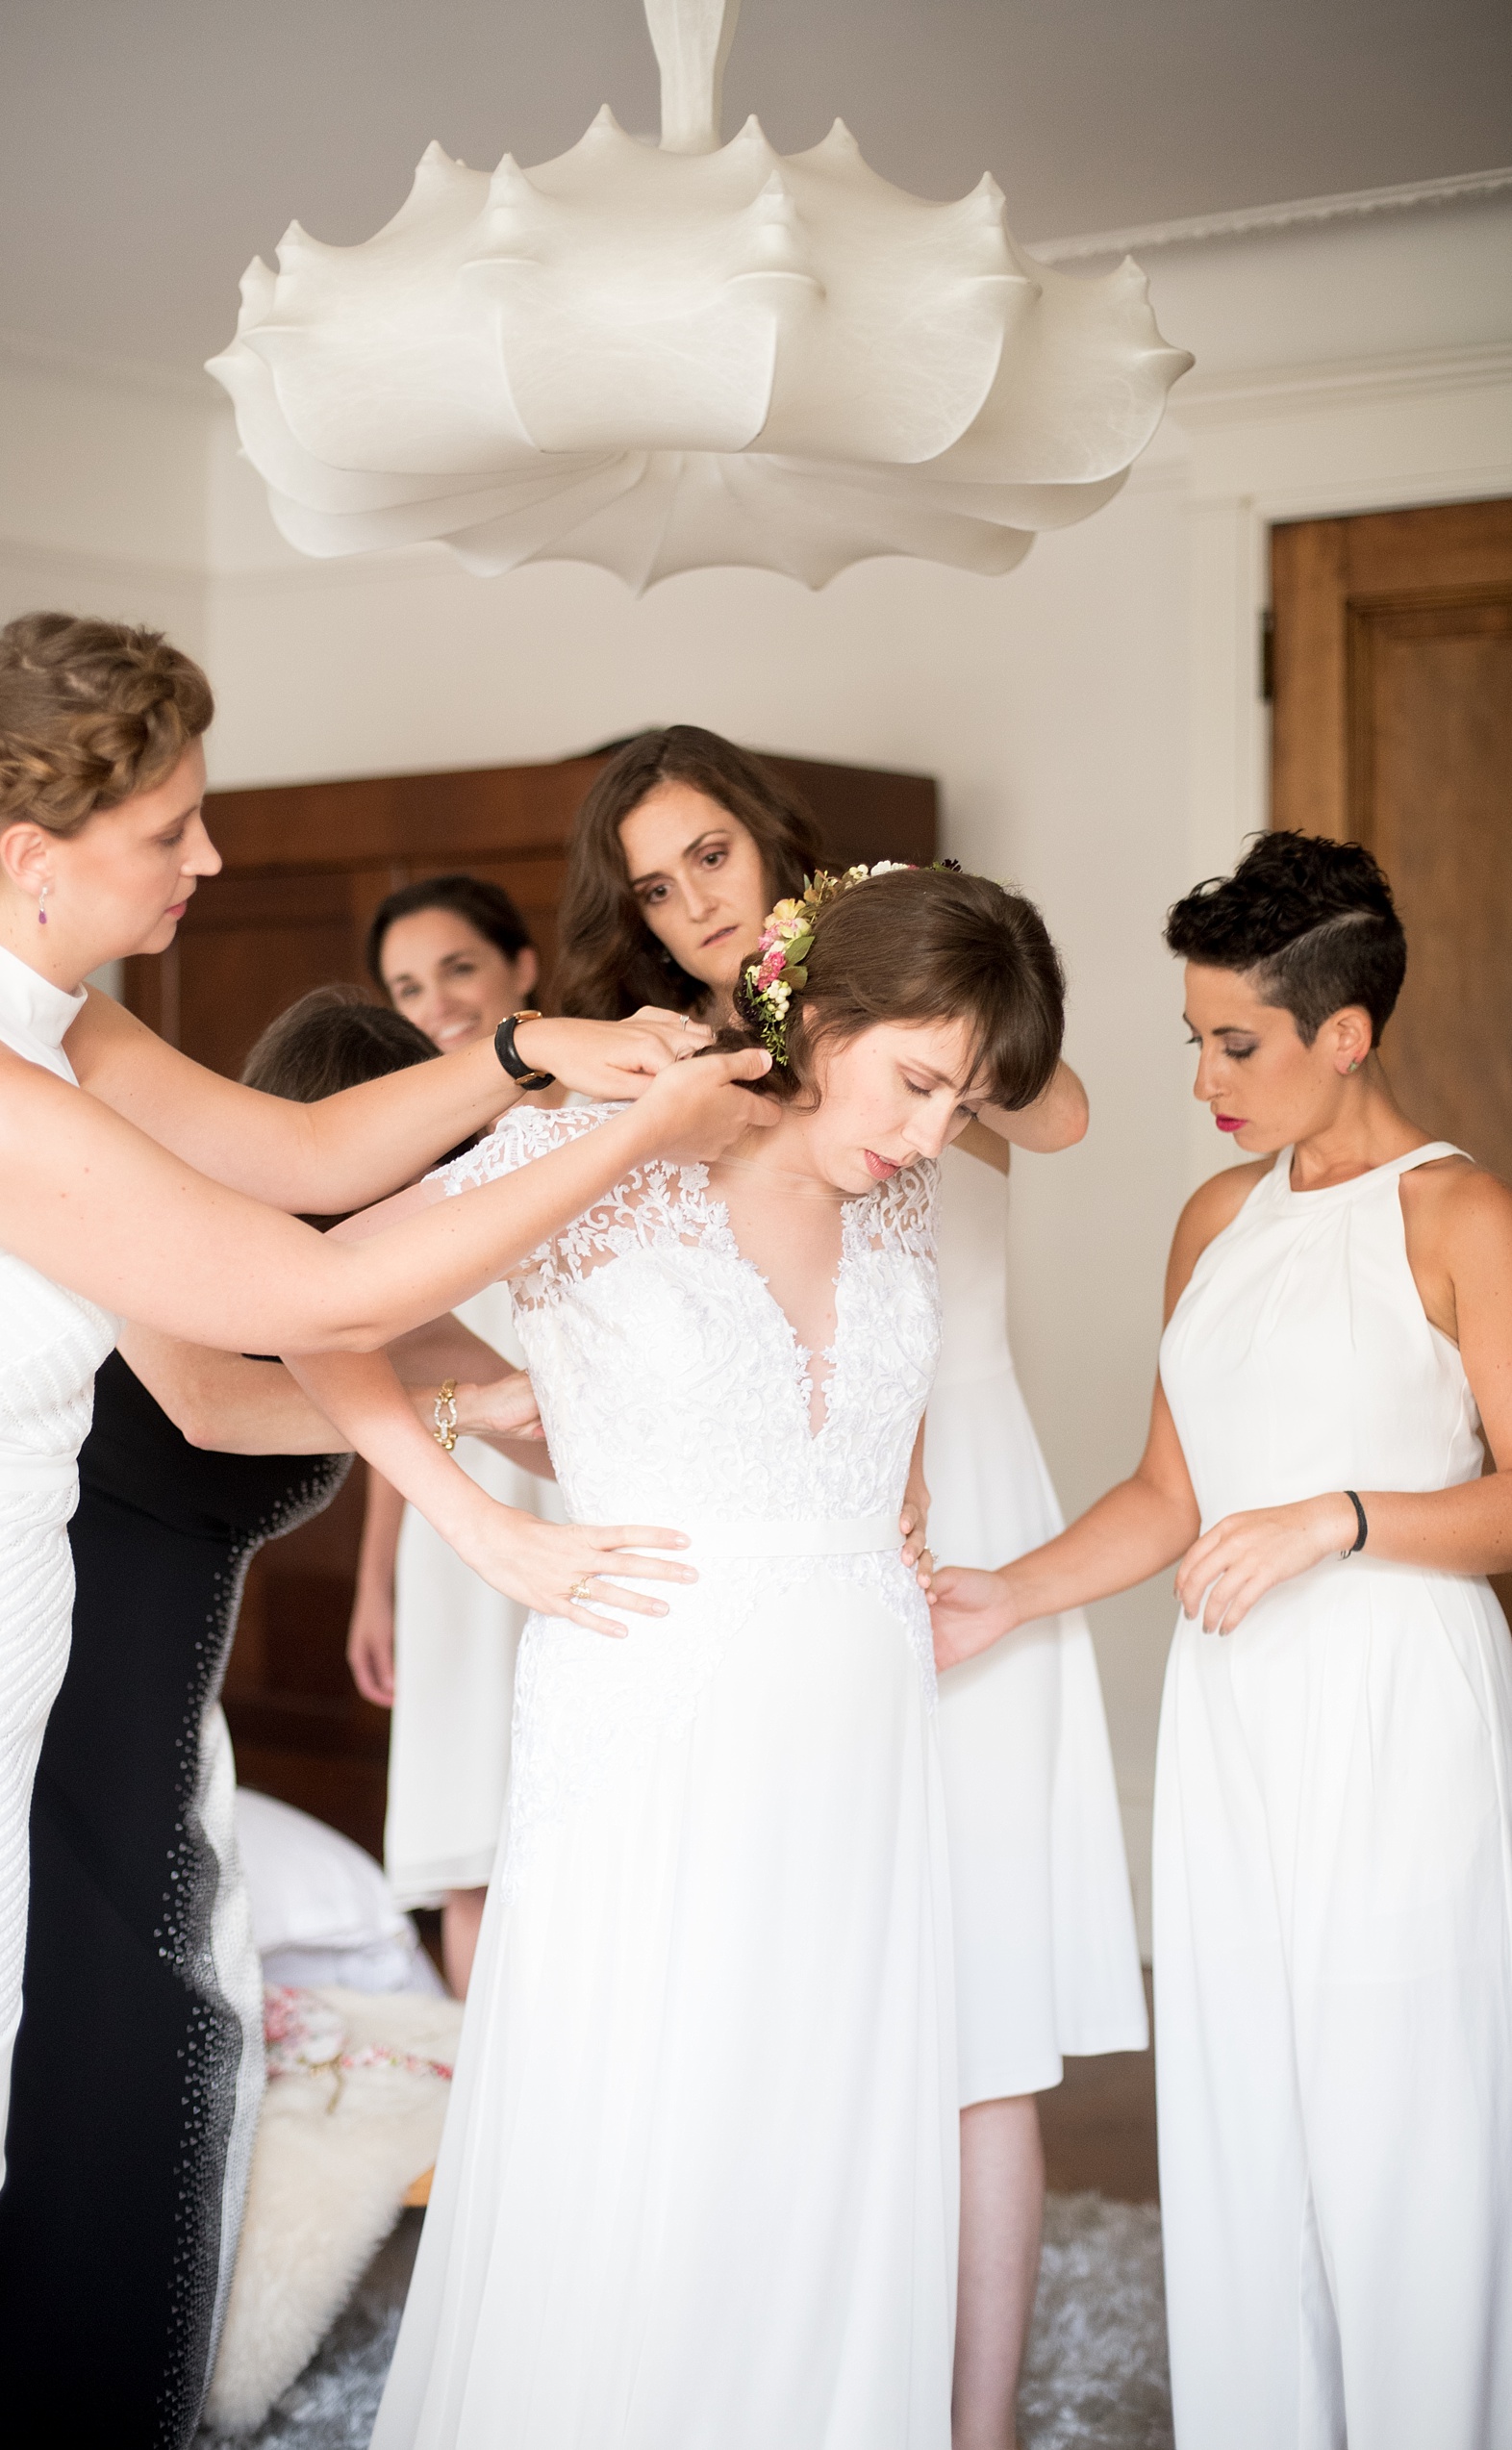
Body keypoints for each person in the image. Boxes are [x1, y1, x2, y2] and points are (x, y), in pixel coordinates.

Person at [0, 614, 769, 2447]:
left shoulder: (31, 1012)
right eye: (171, 830)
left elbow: (287, 1154)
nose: (211, 858)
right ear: (37, 855)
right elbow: (308, 1272)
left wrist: (534, 1052)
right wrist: (646, 1127)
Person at [291, 861, 1071, 2450]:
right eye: (919, 1082)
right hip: (652, 1700)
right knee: (657, 2116)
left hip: (858, 1714)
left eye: (964, 1100)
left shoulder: (896, 1189)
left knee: (829, 2119)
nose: (932, 1134)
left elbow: (867, 1408)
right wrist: (476, 1517)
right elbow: (312, 1302)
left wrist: (892, 1527)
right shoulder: (610, 1136)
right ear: (827, 1013)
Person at [554, 725, 1145, 2450]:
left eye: (711, 863)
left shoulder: (909, 982)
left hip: (965, 1478)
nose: (688, 911)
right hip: (797, 1517)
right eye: (653, 891)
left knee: (982, 1990)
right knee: (810, 1979)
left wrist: (914, 965)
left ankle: (974, 2424)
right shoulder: (698, 1070)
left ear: (774, 844)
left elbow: (1072, 1110)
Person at [929, 832, 1512, 2450]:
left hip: (1400, 1701)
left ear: (1348, 1030)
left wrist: (1339, 1515)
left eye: (1236, 1043)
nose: (1205, 1079)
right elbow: (1169, 1491)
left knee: (1402, 2111)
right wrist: (1008, 1589)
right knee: (1242, 2102)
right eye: (1194, 1039)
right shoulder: (1213, 1219)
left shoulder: (1461, 1215)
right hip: (1234, 1707)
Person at [0, 987, 544, 2450]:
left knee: (149, 2043)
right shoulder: (169, 1232)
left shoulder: (385, 1303)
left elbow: (561, 1410)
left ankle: (101, 2391)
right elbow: (202, 1400)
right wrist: (462, 1413)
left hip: (149, 1714)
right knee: (83, 2030)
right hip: (36, 1686)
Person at [352, 877, 566, 1996]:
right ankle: (473, 2123)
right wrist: (376, 1577)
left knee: (563, 1815)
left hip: (570, 1500)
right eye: (404, 985)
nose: (432, 1002)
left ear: (523, 970)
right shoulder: (397, 1156)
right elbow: (396, 1371)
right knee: (465, 1825)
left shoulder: (594, 1136)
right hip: (447, 1512)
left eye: (457, 970)